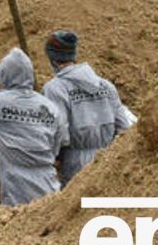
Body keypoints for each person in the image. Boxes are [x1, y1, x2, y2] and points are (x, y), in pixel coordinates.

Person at [0, 48, 69, 206]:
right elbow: (56, 146)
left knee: (16, 222)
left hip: (16, 187)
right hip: (49, 185)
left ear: (5, 74)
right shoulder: (51, 107)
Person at [40, 30, 133, 187]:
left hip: (75, 162)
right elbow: (124, 127)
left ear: (54, 60)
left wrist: (52, 159)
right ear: (74, 56)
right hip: (108, 159)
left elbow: (58, 131)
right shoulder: (106, 85)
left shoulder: (54, 89)